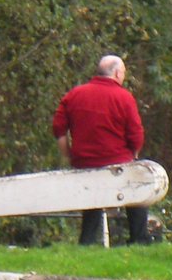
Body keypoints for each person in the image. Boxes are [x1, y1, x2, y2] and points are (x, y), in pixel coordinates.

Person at [52, 54, 151, 245]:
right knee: (139, 186)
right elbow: (136, 134)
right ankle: (138, 239)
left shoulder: (74, 94)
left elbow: (59, 129)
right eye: (123, 73)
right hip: (117, 163)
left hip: (84, 163)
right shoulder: (124, 97)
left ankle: (87, 240)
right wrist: (134, 155)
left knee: (93, 197)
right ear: (116, 73)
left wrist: (68, 155)